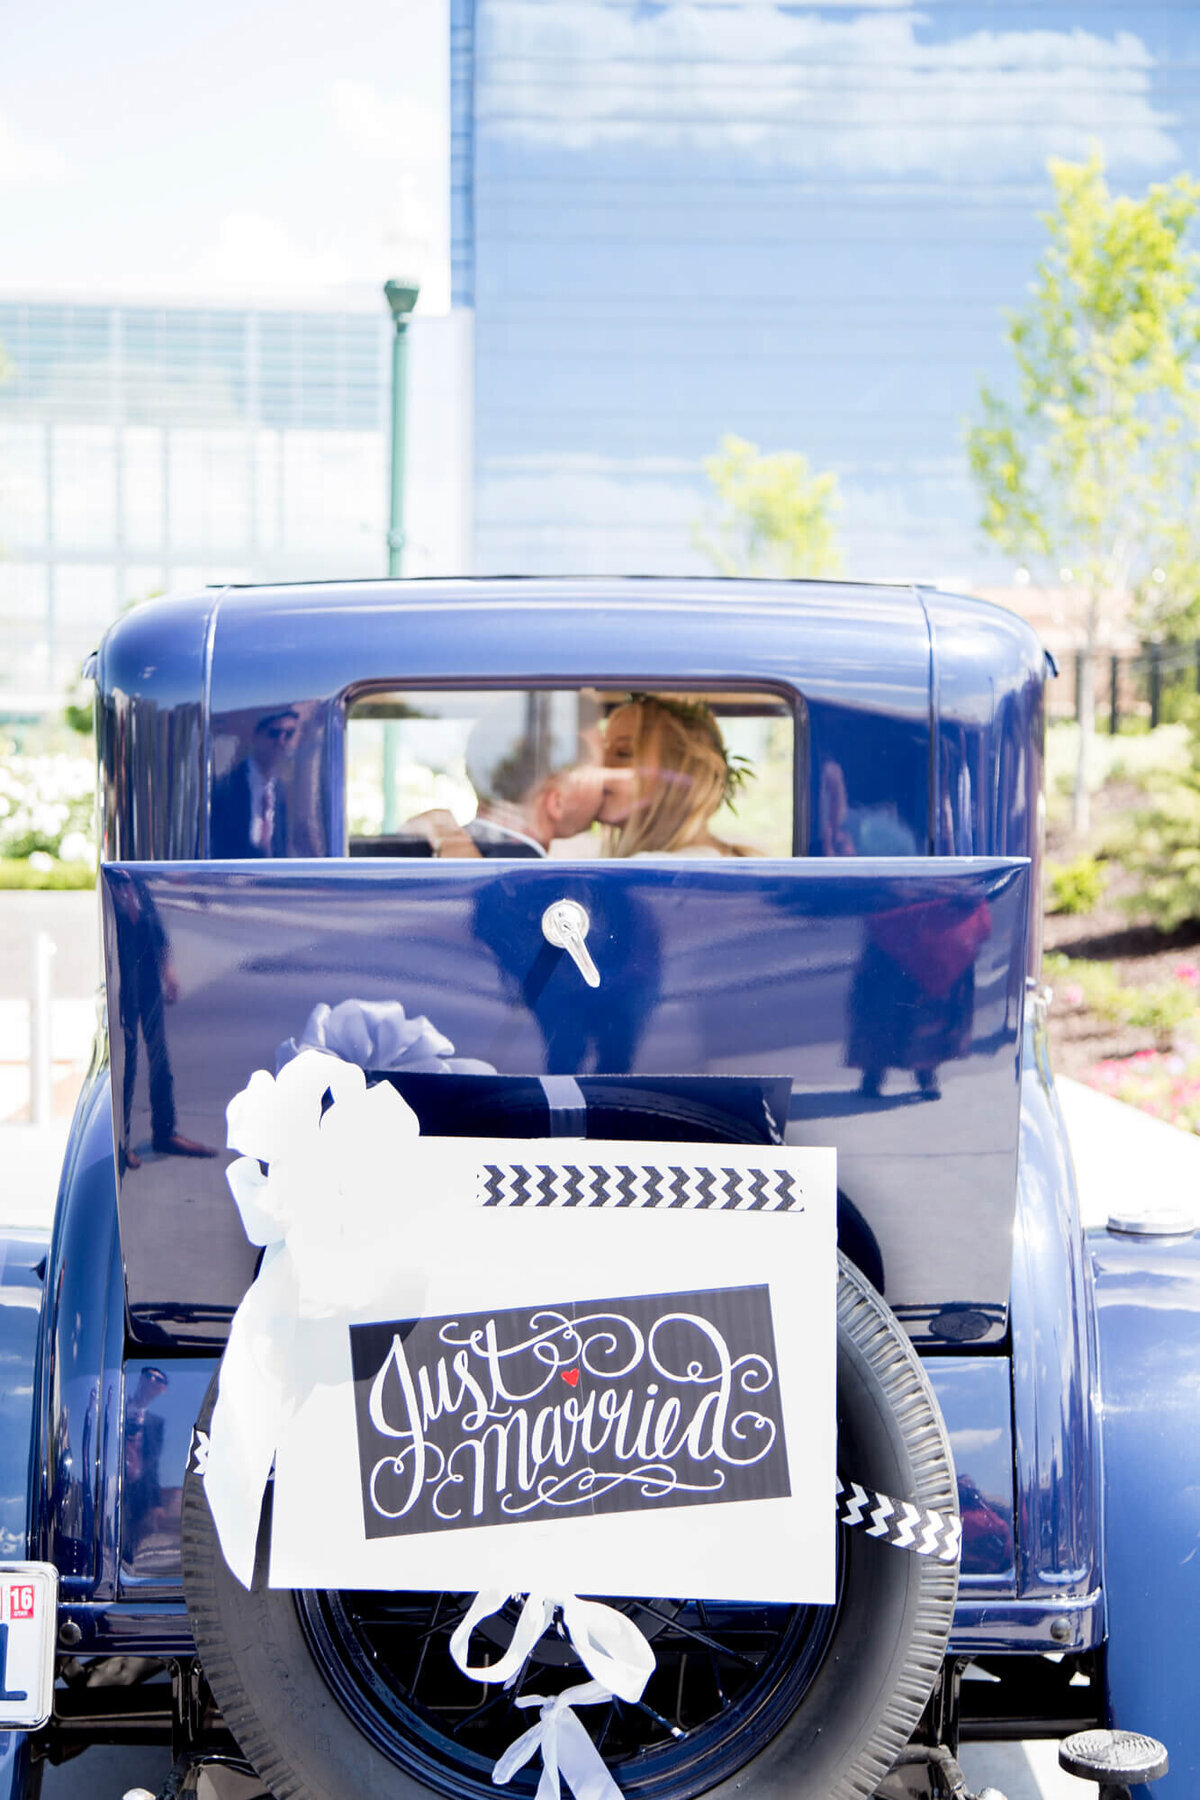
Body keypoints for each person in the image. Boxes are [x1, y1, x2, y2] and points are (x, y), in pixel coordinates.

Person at [599, 693, 760, 857]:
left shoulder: (655, 869)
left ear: (676, 775)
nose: (600, 765)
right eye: (601, 751)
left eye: (624, 753)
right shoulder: (718, 857)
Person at [211, 707, 300, 858]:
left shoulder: (282, 790)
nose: (281, 742)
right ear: (257, 737)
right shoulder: (226, 787)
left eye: (289, 734)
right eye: (274, 733)